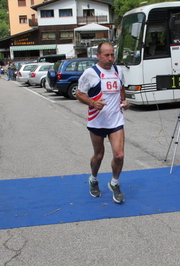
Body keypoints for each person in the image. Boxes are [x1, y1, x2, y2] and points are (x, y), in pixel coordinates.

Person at [76, 42, 130, 204]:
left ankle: (114, 183)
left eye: (112, 54)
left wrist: (124, 101)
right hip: (97, 121)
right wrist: (92, 103)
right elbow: (79, 94)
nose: (110, 58)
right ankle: (93, 179)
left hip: (115, 120)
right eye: (106, 55)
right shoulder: (90, 73)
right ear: (98, 56)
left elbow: (121, 89)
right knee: (99, 155)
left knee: (119, 155)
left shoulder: (118, 71)